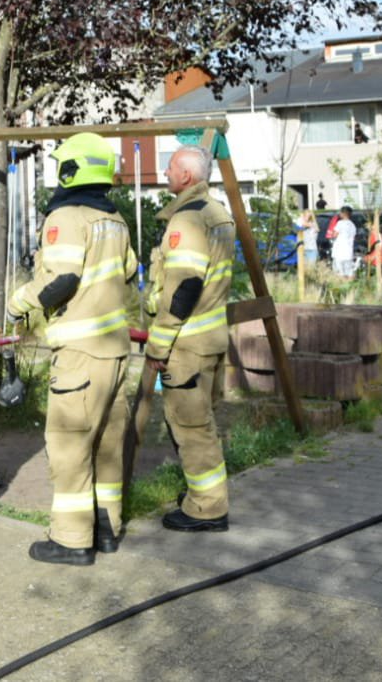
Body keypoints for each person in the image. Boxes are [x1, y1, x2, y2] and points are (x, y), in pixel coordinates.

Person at [6, 133, 137, 566]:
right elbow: (130, 271)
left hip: (79, 353)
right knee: (107, 444)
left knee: (69, 445)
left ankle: (71, 538)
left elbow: (62, 280)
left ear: (71, 170)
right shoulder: (115, 219)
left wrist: (18, 303)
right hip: (115, 352)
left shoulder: (67, 215)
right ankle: (106, 528)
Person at [144, 144, 235, 533]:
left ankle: (206, 509)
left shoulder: (188, 222)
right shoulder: (218, 214)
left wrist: (158, 346)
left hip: (186, 346)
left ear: (186, 176)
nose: (164, 172)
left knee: (192, 429)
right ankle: (205, 499)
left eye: (169, 167)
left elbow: (184, 288)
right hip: (211, 340)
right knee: (204, 426)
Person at [329, 206, 358, 277]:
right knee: (349, 273)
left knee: (339, 273)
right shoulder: (353, 225)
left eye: (340, 212)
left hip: (339, 252)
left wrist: (331, 233)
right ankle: (350, 286)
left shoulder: (340, 223)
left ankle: (341, 287)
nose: (339, 214)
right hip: (348, 252)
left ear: (343, 214)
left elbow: (334, 235)